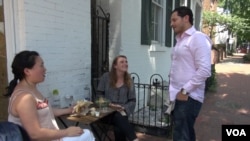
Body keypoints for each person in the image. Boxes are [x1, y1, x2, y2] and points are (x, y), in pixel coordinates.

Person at [6, 50, 95, 141]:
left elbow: (44, 109)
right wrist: (67, 132)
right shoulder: (24, 98)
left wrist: (68, 110)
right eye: (41, 65)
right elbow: (34, 134)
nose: (45, 69)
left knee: (86, 134)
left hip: (54, 138)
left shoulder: (31, 89)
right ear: (27, 71)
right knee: (87, 134)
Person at [169, 6, 212, 141]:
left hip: (189, 97)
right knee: (185, 133)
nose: (171, 24)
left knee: (181, 135)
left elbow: (205, 70)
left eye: (174, 20)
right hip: (179, 95)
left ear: (186, 18)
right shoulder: (181, 40)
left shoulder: (197, 38)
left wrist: (185, 91)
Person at [96, 55, 139, 141]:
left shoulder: (129, 80)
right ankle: (134, 139)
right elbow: (99, 95)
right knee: (119, 121)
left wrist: (123, 107)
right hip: (106, 112)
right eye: (122, 62)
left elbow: (132, 100)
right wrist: (109, 104)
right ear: (115, 66)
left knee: (118, 123)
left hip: (122, 111)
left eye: (126, 62)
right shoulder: (106, 77)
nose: (125, 63)